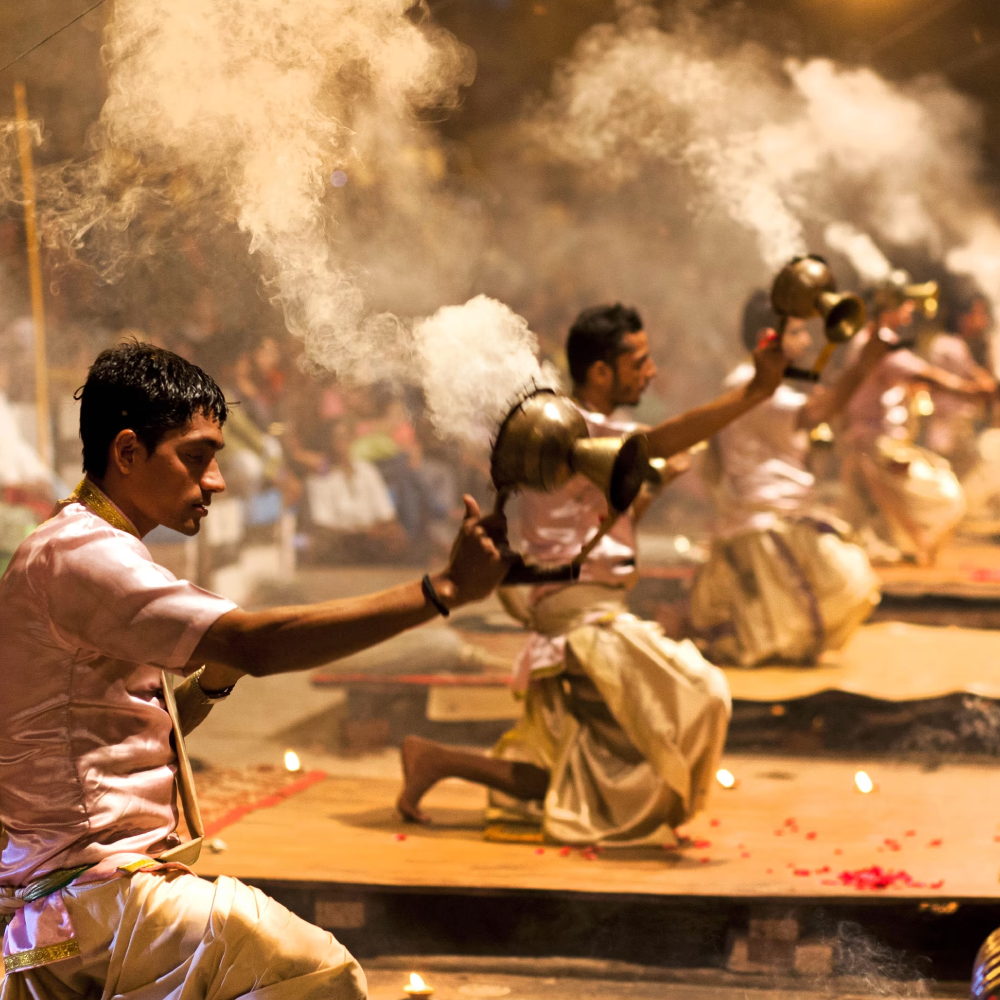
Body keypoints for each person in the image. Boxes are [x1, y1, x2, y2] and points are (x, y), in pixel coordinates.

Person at [0, 342, 507, 999]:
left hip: (81, 905)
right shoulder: (82, 557)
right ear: (127, 453)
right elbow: (259, 646)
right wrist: (439, 592)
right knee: (314, 971)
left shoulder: (80, 546)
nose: (216, 482)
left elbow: (118, 731)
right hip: (93, 905)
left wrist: (214, 678)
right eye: (196, 457)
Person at [395, 303, 787, 846]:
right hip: (576, 613)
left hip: (592, 604)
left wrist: (651, 488)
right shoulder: (567, 433)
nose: (651, 374)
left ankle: (435, 760)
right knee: (705, 693)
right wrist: (754, 394)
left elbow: (606, 527)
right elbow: (658, 441)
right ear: (600, 372)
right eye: (639, 362)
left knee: (587, 758)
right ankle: (437, 761)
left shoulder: (587, 445)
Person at [689, 291, 887, 668]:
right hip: (764, 526)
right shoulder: (749, 383)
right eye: (797, 331)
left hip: (779, 521)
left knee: (837, 600)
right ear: (769, 336)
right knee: (847, 587)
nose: (807, 341)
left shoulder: (764, 382)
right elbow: (818, 412)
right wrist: (861, 366)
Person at [841, 275, 982, 565]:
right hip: (877, 445)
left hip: (873, 443)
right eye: (902, 302)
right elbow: (926, 376)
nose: (910, 307)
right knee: (947, 497)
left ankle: (917, 544)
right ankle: (918, 545)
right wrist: (974, 391)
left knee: (881, 516)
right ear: (884, 307)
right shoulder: (877, 342)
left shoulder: (874, 340)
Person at [303, 417, 409, 562]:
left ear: (353, 439)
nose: (340, 443)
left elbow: (386, 513)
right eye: (336, 438)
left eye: (345, 437)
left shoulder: (367, 471)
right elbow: (323, 524)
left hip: (373, 542)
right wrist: (363, 532)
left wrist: (380, 530)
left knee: (396, 534)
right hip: (342, 545)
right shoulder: (319, 478)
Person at [923, 291, 997, 479]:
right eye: (978, 313)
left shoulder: (955, 345)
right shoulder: (950, 346)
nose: (983, 320)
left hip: (954, 431)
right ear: (962, 317)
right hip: (950, 432)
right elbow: (985, 388)